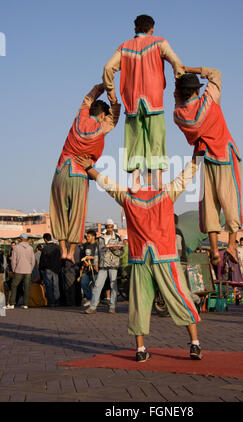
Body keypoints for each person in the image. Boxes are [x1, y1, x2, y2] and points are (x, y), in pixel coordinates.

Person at [76, 153, 203, 362]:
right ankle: (195, 345)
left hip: (140, 258)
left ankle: (141, 349)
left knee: (139, 303)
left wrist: (90, 168)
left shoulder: (128, 197)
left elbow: (107, 185)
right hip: (165, 256)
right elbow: (186, 175)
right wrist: (197, 154)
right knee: (180, 296)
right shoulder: (166, 193)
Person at [103, 14, 184, 192]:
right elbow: (176, 62)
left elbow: (108, 68)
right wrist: (179, 83)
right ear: (152, 28)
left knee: (133, 141)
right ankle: (157, 182)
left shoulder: (124, 47)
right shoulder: (159, 42)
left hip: (132, 102)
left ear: (135, 29)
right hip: (154, 100)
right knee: (156, 139)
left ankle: (135, 183)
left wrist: (111, 91)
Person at [174, 68, 242, 267]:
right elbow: (216, 73)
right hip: (224, 154)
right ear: (196, 89)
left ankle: (213, 250)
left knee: (209, 206)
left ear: (181, 92)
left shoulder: (180, 114)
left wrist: (177, 90)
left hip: (205, 159)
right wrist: (187, 69)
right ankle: (231, 245)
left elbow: (177, 101)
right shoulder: (209, 100)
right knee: (230, 201)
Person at [50, 83, 120, 262]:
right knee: (78, 213)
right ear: (102, 115)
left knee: (59, 211)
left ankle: (63, 248)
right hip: (79, 172)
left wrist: (102, 86)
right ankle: (71, 252)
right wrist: (113, 97)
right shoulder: (102, 126)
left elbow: (88, 98)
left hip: (61, 171)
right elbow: (115, 117)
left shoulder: (80, 117)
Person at [85, 220, 123, 314]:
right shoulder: (101, 238)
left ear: (113, 227)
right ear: (105, 227)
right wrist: (96, 263)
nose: (109, 229)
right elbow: (97, 252)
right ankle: (93, 307)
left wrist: (114, 250)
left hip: (113, 264)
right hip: (102, 264)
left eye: (111, 227)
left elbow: (121, 252)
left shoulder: (117, 237)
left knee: (113, 285)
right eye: (107, 227)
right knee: (97, 285)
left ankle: (112, 306)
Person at [6, 233, 35, 309]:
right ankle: (25, 304)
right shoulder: (30, 248)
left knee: (14, 285)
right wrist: (30, 269)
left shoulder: (16, 248)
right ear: (27, 239)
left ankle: (12, 304)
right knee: (26, 287)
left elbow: (13, 260)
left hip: (19, 270)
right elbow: (33, 261)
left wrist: (14, 269)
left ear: (20, 239)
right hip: (28, 270)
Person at [39, 233, 62, 307]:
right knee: (56, 285)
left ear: (45, 239)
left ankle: (51, 302)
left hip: (48, 268)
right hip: (56, 269)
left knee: (48, 285)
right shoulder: (57, 247)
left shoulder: (45, 248)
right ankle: (57, 301)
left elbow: (42, 260)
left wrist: (41, 268)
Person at [79, 229, 99, 306]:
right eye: (87, 236)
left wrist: (92, 257)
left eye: (89, 236)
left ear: (93, 237)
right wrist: (84, 263)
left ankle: (95, 301)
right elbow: (83, 256)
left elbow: (100, 256)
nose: (87, 238)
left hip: (95, 269)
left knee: (95, 286)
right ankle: (89, 298)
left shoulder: (97, 246)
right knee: (83, 283)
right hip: (86, 269)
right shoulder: (85, 246)